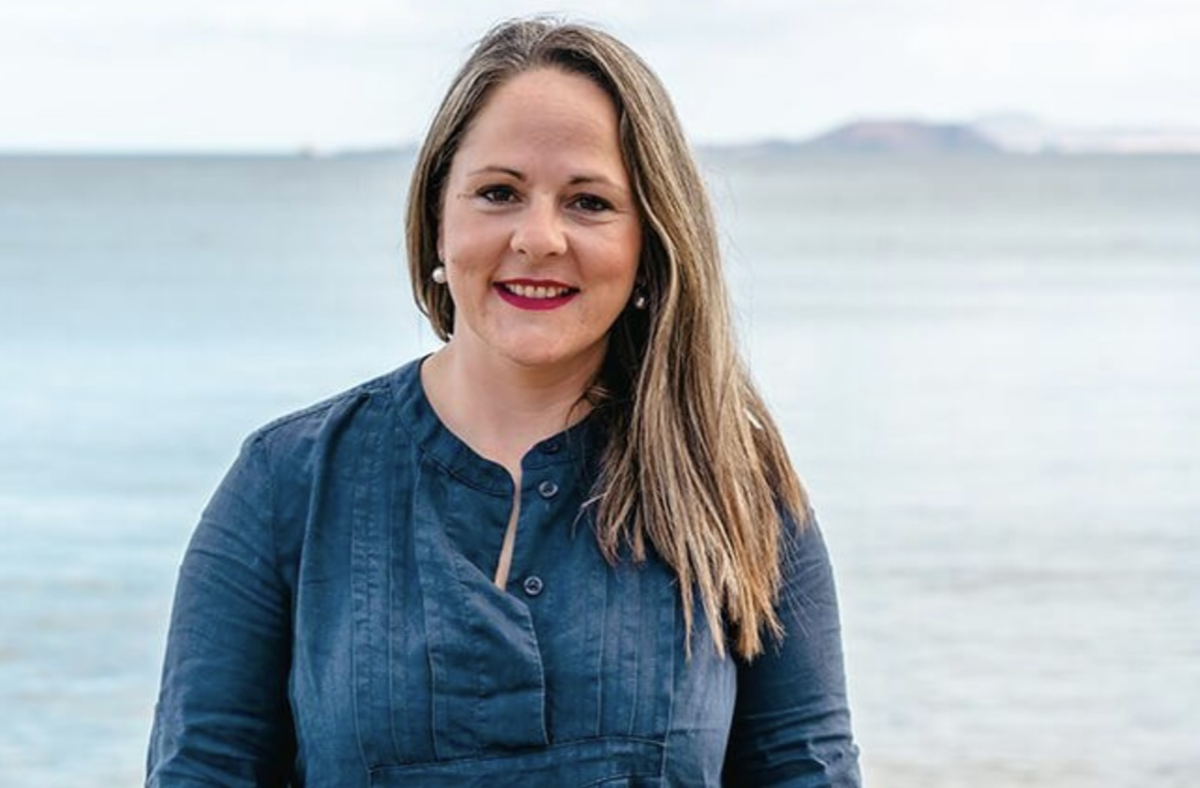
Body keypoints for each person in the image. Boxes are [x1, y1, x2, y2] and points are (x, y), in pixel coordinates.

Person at [146, 17, 860, 788]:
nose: (539, 238)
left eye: (589, 202)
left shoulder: (735, 486)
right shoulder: (286, 482)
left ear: (650, 243)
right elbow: (201, 772)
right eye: (498, 193)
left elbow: (809, 773)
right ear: (437, 219)